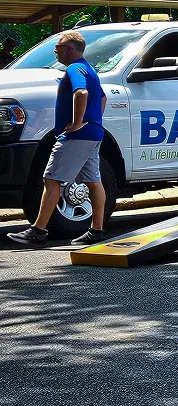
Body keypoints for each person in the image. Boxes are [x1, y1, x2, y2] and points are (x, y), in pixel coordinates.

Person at [8, 30, 107, 246]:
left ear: (69, 49)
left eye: (57, 48)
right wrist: (94, 121)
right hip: (93, 134)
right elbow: (103, 97)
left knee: (51, 180)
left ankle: (38, 231)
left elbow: (81, 93)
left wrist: (77, 122)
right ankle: (96, 231)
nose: (56, 52)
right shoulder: (90, 69)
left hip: (76, 136)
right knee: (93, 181)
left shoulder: (74, 68)